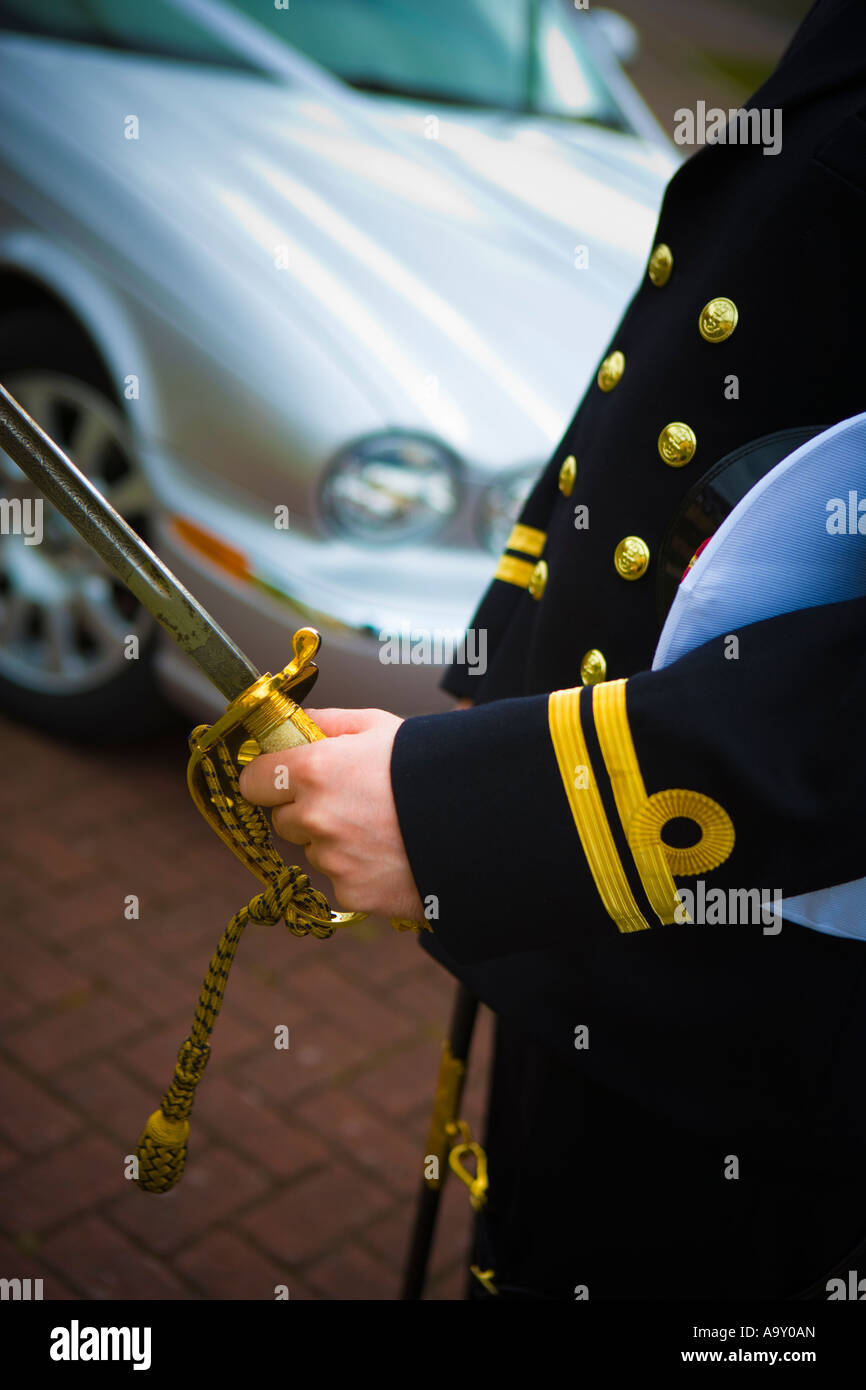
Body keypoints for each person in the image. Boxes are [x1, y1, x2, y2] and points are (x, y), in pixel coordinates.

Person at [239, 0, 866, 1298]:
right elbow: (685, 358)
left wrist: (485, 814)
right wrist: (503, 686)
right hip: (623, 935)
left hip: (756, 1007)